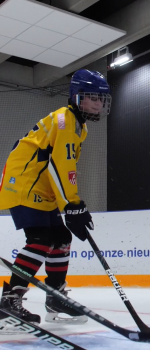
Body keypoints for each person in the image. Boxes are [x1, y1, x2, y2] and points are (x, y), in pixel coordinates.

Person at [0, 69, 111, 325]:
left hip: (39, 187)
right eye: (93, 97)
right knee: (41, 238)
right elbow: (59, 166)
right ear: (77, 97)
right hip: (25, 184)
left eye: (102, 98)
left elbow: (60, 168)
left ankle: (55, 296)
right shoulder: (66, 122)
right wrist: (72, 206)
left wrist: (71, 207)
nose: (99, 103)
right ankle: (8, 301)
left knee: (61, 237)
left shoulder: (76, 125)